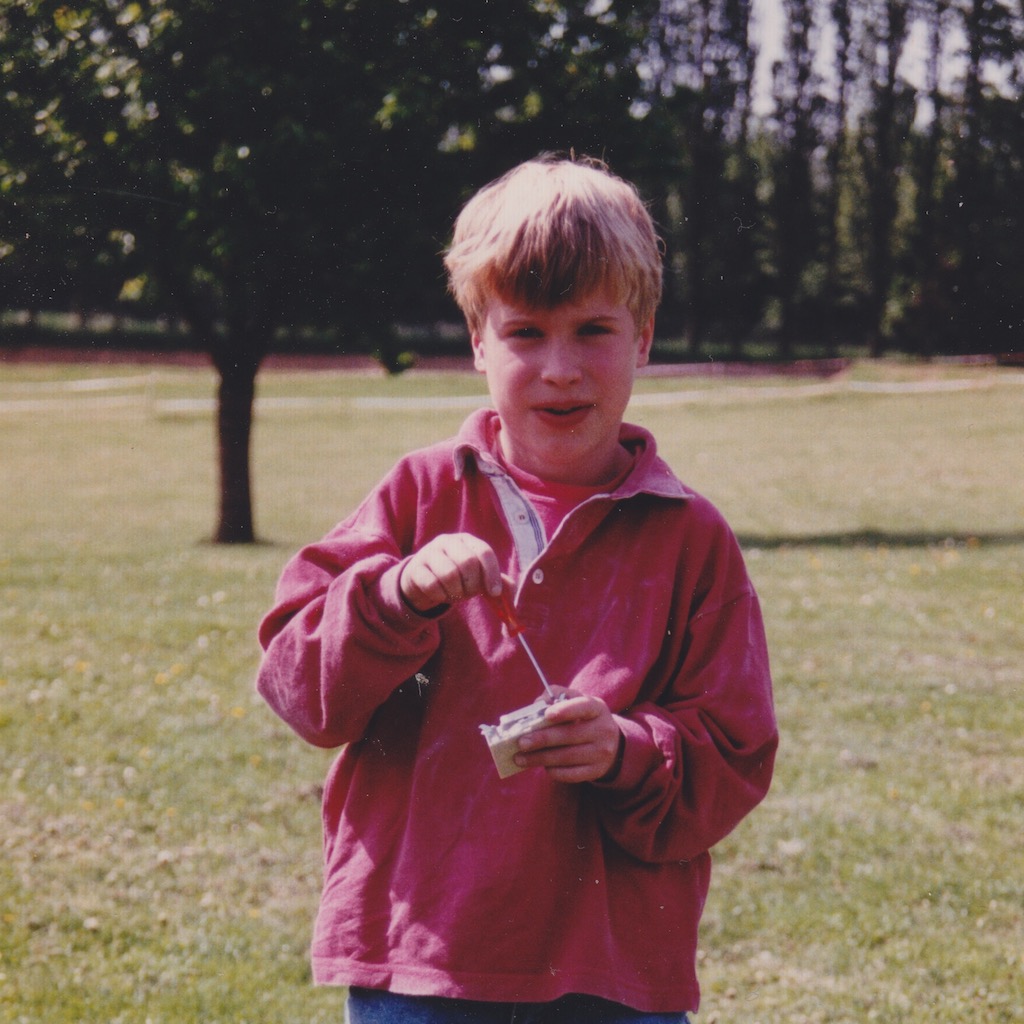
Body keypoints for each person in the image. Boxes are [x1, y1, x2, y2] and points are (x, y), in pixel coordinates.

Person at [256, 155, 778, 1024]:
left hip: (610, 972)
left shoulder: (692, 539)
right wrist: (392, 598)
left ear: (644, 337)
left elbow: (735, 756)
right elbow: (299, 690)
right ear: (476, 342)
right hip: (419, 960)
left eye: (594, 331)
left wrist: (624, 749)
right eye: (526, 333)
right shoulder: (418, 496)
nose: (561, 368)